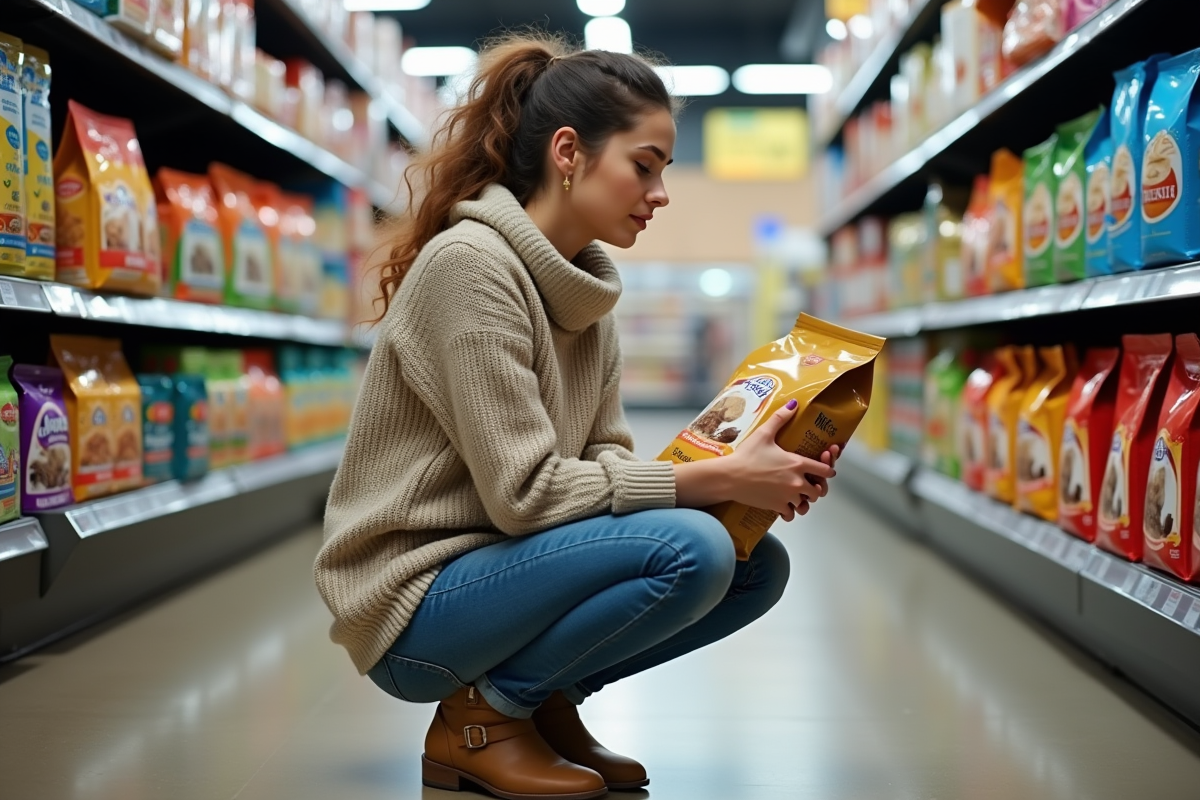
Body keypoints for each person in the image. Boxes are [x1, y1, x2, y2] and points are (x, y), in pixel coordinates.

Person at [315, 33, 840, 800]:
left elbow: (607, 464)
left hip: (500, 576)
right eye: (645, 165)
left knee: (752, 565)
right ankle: (481, 720)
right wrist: (715, 479)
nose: (661, 192)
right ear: (568, 152)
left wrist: (739, 475)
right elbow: (525, 496)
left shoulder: (586, 295)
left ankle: (540, 703)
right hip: (416, 603)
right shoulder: (471, 267)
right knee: (692, 547)